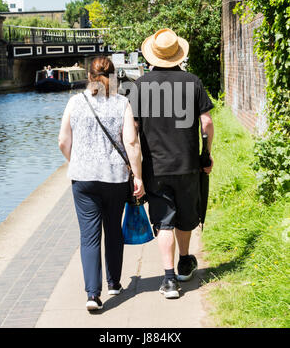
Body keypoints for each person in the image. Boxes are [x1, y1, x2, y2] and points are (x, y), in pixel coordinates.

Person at [129, 28, 214, 299]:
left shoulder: (141, 86)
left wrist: (136, 169)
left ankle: (167, 280)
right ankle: (185, 263)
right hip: (188, 164)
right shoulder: (193, 82)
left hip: (156, 166)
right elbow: (207, 122)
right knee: (186, 217)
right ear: (178, 54)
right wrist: (206, 153)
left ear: (153, 55)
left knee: (164, 221)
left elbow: (132, 129)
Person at [58, 56, 145, 311]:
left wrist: (76, 161)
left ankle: (93, 295)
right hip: (114, 178)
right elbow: (131, 143)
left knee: (89, 237)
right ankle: (114, 283)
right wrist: (138, 176)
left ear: (89, 76)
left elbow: (63, 141)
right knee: (113, 230)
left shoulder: (75, 102)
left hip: (83, 179)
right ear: (114, 76)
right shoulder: (121, 103)